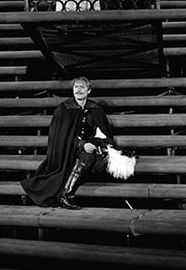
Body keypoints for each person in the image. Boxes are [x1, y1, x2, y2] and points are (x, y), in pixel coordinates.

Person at [21, 77, 115, 210]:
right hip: (67, 150)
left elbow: (102, 133)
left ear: (89, 90)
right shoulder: (65, 109)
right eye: (76, 87)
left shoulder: (95, 108)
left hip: (89, 149)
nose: (79, 90)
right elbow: (62, 137)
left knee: (99, 159)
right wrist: (82, 145)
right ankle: (66, 195)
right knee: (86, 156)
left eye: (82, 87)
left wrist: (95, 144)